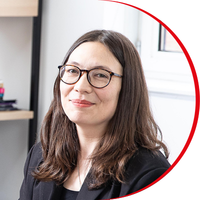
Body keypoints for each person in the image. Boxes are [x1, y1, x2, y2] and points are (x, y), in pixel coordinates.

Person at [19, 30, 170, 200]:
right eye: (72, 71)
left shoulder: (149, 174)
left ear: (127, 88)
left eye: (100, 75)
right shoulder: (41, 155)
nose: (80, 86)